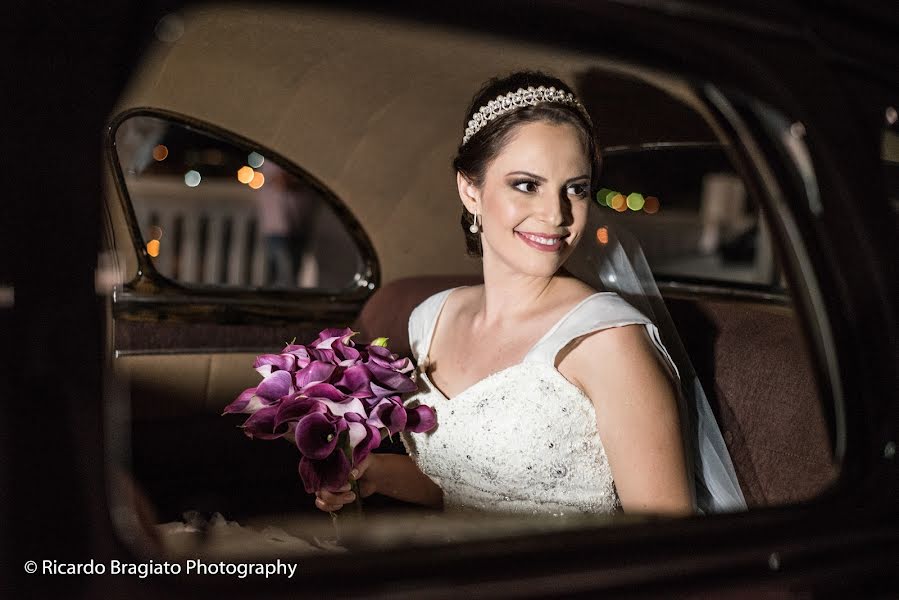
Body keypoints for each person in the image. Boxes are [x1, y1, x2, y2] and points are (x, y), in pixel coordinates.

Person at [314, 71, 744, 517]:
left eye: (575, 189)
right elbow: (469, 484)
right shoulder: (430, 320)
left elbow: (665, 544)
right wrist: (375, 472)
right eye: (527, 185)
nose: (556, 214)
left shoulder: (610, 343)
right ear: (470, 190)